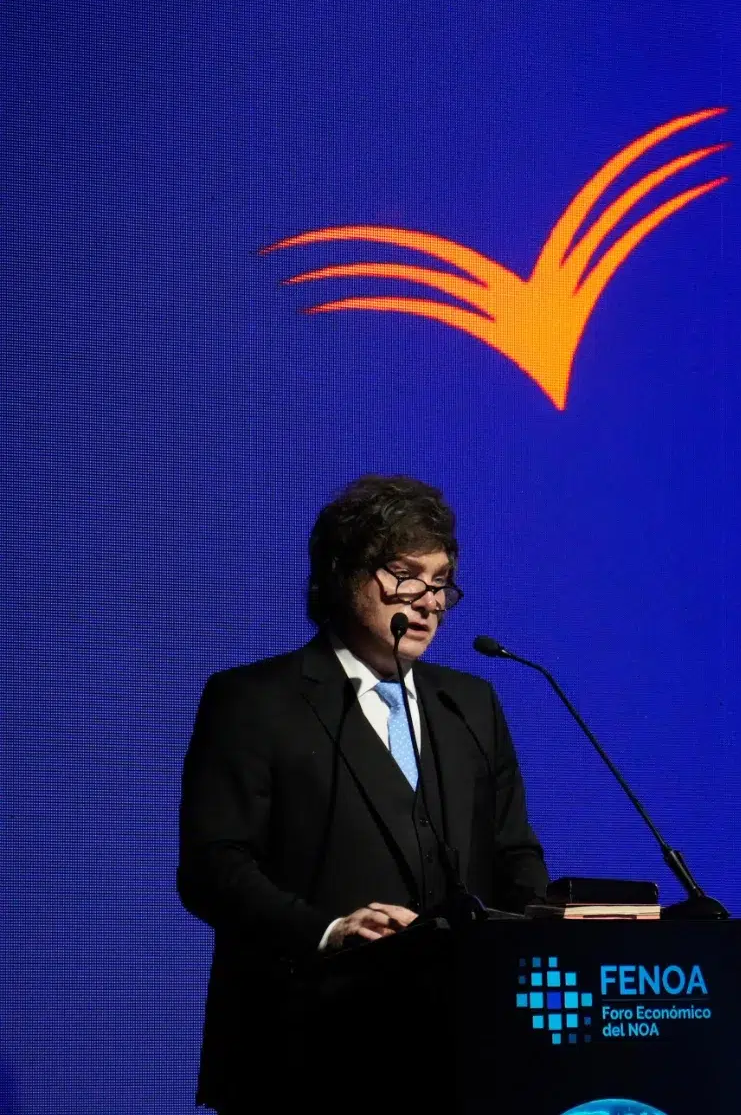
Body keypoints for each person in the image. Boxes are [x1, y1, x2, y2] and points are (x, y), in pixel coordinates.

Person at [177, 475, 548, 1114]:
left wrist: (538, 935)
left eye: (441, 582)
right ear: (344, 573)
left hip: (456, 1056)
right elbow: (213, 869)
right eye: (406, 576)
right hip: (304, 1052)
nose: (430, 601)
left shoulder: (470, 704)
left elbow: (514, 852)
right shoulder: (254, 700)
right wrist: (327, 930)